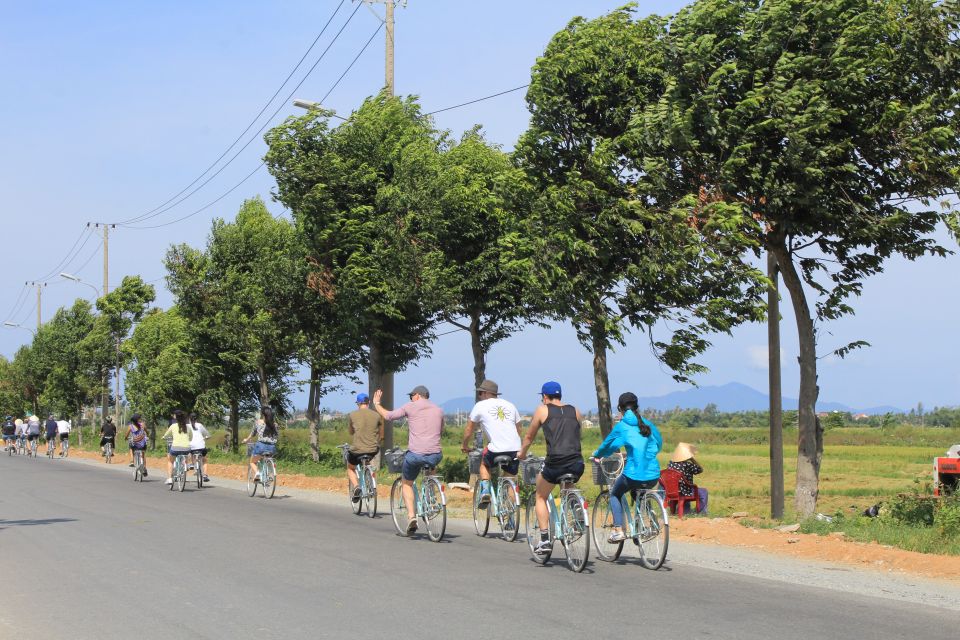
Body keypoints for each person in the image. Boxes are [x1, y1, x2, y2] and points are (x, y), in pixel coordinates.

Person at [518, 381, 584, 555]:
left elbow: (529, 435)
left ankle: (545, 540)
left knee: (540, 495)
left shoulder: (542, 410)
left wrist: (522, 453)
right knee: (568, 485)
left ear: (544, 397)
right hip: (577, 462)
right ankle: (575, 506)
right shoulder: (575, 410)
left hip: (556, 462)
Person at [591, 392, 663, 542]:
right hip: (654, 473)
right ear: (637, 407)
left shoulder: (622, 426)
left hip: (633, 474)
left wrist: (597, 455)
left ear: (620, 408)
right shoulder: (647, 423)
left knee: (615, 494)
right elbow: (658, 443)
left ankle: (619, 530)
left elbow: (608, 445)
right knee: (639, 492)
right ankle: (646, 521)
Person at [372, 385, 443, 536]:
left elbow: (389, 416)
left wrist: (377, 403)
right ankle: (432, 497)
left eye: (411, 396)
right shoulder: (438, 409)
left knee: (407, 482)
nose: (411, 399)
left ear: (417, 395)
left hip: (415, 454)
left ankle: (412, 517)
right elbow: (440, 431)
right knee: (431, 465)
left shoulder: (411, 406)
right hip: (435, 454)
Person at [460, 379, 522, 507]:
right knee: (509, 479)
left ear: (486, 393)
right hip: (515, 448)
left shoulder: (480, 406)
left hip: (496, 449)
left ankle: (486, 490)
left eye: (480, 393)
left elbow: (469, 429)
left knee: (484, 464)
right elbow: (519, 428)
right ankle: (510, 516)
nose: (479, 396)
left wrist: (465, 445)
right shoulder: (510, 405)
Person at [346, 393, 383, 502]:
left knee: (350, 468)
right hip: (373, 449)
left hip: (357, 450)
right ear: (369, 402)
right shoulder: (376, 415)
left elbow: (351, 432)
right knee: (367, 460)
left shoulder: (352, 415)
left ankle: (357, 487)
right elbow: (381, 434)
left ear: (358, 403)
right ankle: (371, 481)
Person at [668, 442, 707, 514]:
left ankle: (682, 511)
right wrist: (692, 460)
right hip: (685, 491)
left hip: (672, 491)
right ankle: (702, 511)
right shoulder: (687, 464)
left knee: (685, 488)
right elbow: (700, 470)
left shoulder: (671, 463)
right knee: (703, 491)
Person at [242, 407, 278, 482]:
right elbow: (276, 435)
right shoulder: (275, 425)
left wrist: (246, 439)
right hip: (272, 447)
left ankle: (258, 473)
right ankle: (270, 474)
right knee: (268, 459)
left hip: (261, 446)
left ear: (263, 414)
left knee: (252, 462)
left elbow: (253, 433)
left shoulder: (258, 422)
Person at [161, 410, 194, 485]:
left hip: (175, 448)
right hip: (186, 448)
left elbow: (166, 435)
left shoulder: (173, 426)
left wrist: (164, 437)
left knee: (170, 461)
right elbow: (191, 437)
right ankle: (184, 466)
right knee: (185, 456)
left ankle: (169, 478)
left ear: (176, 418)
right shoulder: (188, 427)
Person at [188, 413, 211, 483]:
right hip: (201, 447)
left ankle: (193, 466)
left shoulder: (187, 426)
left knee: (191, 453)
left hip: (191, 446)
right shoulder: (200, 425)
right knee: (204, 460)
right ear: (197, 419)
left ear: (189, 419)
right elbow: (207, 434)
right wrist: (206, 437)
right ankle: (205, 475)